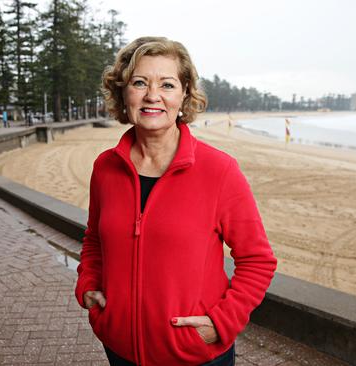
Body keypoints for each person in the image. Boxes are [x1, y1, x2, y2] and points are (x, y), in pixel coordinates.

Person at [75, 36, 277, 366]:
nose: (152, 95)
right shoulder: (105, 168)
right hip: (120, 350)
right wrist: (88, 286)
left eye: (166, 84)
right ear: (123, 93)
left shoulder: (219, 170)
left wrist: (222, 324)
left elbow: (258, 261)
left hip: (195, 356)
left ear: (184, 95)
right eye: (139, 82)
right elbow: (94, 240)